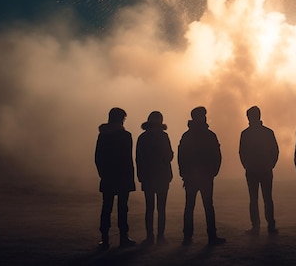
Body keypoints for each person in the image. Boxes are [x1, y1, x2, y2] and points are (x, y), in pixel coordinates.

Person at [177, 106, 226, 245]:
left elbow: (181, 157)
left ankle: (187, 237)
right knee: (208, 206)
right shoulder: (209, 135)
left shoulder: (187, 136)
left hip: (192, 177)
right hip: (205, 176)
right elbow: (217, 155)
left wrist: (184, 174)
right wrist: (213, 172)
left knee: (190, 206)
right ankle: (211, 236)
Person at [94, 107, 136, 249]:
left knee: (106, 208)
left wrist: (103, 174)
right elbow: (128, 159)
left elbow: (98, 157)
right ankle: (123, 237)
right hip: (123, 177)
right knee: (123, 208)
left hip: (108, 177)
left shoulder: (103, 135)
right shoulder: (126, 136)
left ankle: (104, 239)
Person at [239, 106, 280, 235]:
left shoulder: (245, 134)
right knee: (267, 198)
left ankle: (256, 226)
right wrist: (270, 164)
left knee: (254, 199)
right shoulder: (268, 132)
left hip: (252, 169)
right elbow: (275, 151)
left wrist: (247, 165)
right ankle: (271, 226)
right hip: (265, 169)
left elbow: (242, 153)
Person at [135, 111, 174, 246]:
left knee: (149, 208)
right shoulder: (164, 137)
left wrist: (140, 175)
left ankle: (149, 237)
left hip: (147, 177)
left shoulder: (142, 138)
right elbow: (169, 156)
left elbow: (138, 159)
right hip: (162, 176)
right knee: (161, 208)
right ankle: (161, 237)